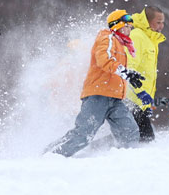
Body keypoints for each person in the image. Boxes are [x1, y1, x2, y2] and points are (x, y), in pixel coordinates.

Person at [46, 10, 143, 157]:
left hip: (115, 99)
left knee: (130, 131)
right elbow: (104, 60)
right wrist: (125, 72)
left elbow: (114, 66)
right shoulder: (107, 37)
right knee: (83, 135)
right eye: (128, 26)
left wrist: (129, 75)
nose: (130, 30)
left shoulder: (121, 45)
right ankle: (51, 156)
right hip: (98, 96)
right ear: (119, 25)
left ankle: (126, 162)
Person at [125, 6, 169, 142]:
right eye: (158, 22)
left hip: (142, 101)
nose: (161, 26)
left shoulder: (151, 40)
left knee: (138, 137)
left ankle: (100, 148)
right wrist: (139, 92)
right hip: (132, 99)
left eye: (163, 22)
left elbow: (148, 74)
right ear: (147, 21)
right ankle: (99, 151)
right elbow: (130, 67)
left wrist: (147, 102)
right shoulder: (137, 36)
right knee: (145, 138)